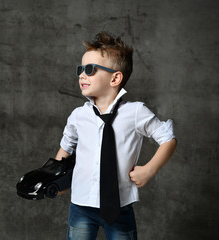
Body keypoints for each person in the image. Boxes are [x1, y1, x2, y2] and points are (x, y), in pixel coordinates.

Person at [55, 32, 177, 240]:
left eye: (90, 69)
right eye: (80, 69)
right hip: (81, 206)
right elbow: (65, 149)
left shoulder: (136, 112)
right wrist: (55, 180)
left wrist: (149, 169)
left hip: (119, 206)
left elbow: (168, 139)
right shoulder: (78, 116)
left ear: (115, 78)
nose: (82, 75)